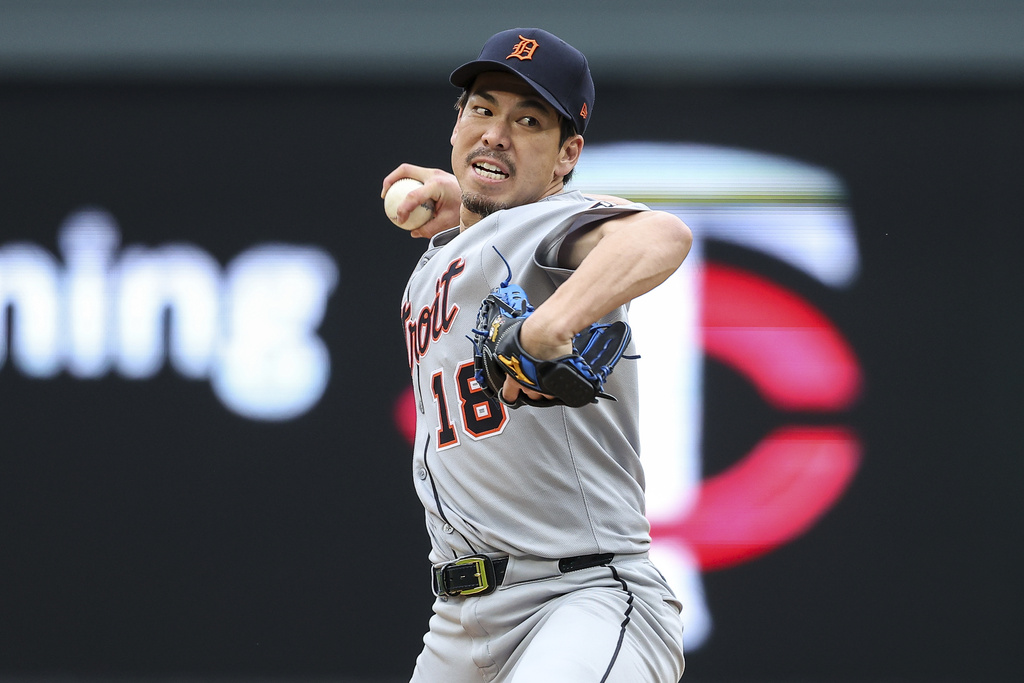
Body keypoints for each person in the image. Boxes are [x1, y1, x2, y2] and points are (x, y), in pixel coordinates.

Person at [382, 28, 692, 682]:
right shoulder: (446, 253)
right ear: (456, 124)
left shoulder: (549, 223)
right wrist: (458, 200)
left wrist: (551, 323)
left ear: (566, 156)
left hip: (579, 596)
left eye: (529, 122)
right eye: (483, 110)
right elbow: (487, 239)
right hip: (457, 620)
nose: (497, 134)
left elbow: (661, 234)